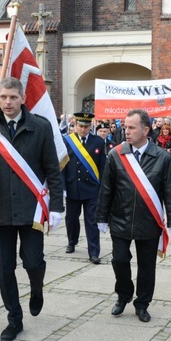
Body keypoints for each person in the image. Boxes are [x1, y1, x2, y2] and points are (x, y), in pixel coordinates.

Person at [0, 77, 63, 341]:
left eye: (12, 97)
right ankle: (14, 318)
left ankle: (36, 288)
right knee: (3, 268)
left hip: (31, 210)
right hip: (0, 211)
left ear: (22, 99)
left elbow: (52, 170)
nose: (7, 102)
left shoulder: (40, 127)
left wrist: (56, 207)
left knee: (33, 262)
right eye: (3, 97)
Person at [96, 109, 171, 322]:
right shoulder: (116, 154)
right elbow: (107, 188)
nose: (127, 131)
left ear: (146, 130)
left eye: (132, 127)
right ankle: (123, 295)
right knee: (119, 261)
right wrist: (101, 217)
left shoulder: (162, 157)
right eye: (125, 127)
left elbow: (170, 192)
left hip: (148, 222)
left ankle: (142, 303)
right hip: (120, 219)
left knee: (146, 267)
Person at [63, 112, 106, 264]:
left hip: (92, 189)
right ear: (75, 126)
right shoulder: (67, 141)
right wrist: (63, 187)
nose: (83, 129)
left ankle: (94, 252)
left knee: (92, 221)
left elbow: (102, 167)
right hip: (73, 187)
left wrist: (103, 188)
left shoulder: (98, 142)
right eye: (80, 126)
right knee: (71, 219)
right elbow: (62, 165)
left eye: (86, 127)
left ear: (90, 127)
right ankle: (72, 241)